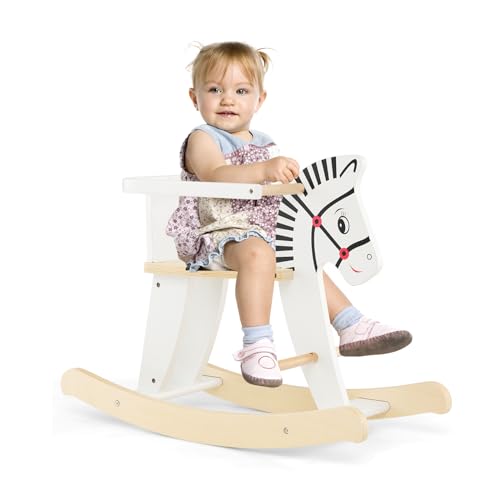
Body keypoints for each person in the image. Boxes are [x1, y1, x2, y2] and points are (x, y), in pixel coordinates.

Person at [166, 41, 412, 388]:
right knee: (258, 253)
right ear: (195, 97)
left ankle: (349, 322)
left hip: (264, 231)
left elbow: (272, 188)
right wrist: (263, 170)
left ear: (259, 99)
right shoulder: (203, 139)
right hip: (218, 234)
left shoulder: (264, 142)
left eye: (241, 91)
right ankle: (257, 344)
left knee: (304, 251)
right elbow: (216, 175)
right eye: (215, 90)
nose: (227, 100)